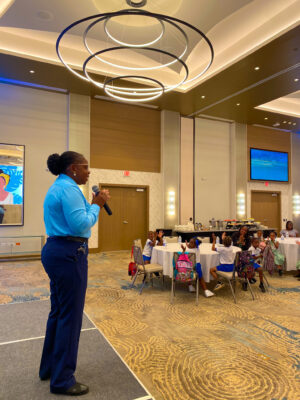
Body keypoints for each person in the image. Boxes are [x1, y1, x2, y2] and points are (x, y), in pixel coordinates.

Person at [39, 151, 110, 396]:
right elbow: (80, 225)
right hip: (69, 254)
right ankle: (62, 380)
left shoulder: (58, 187)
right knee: (70, 318)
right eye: (85, 167)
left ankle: (49, 368)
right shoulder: (70, 190)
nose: (89, 172)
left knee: (58, 312)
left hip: (57, 251)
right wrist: (97, 205)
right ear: (73, 169)